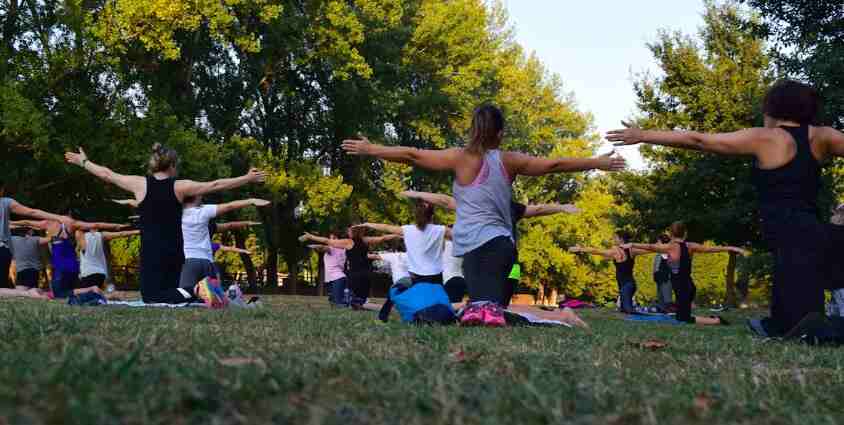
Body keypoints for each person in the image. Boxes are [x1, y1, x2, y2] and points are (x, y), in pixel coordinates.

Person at [608, 80, 844, 336]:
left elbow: (699, 140)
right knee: (796, 315)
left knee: (800, 325)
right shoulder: (824, 136)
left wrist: (643, 135)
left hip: (787, 233)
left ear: (773, 110)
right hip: (813, 231)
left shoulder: (766, 137)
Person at [65, 143, 267, 304]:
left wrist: (84, 162)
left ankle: (199, 289)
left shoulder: (139, 184)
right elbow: (215, 185)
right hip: (176, 251)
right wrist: (247, 178)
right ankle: (215, 293)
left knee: (152, 297)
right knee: (171, 294)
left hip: (153, 250)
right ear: (171, 166)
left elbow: (107, 174)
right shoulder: (180, 187)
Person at [398, 190, 580, 309]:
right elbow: (539, 209)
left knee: (492, 294)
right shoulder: (509, 207)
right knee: (505, 289)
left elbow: (445, 201)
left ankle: (489, 309)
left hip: (487, 261)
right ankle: (495, 309)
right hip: (510, 260)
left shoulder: (476, 207)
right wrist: (561, 207)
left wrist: (416, 194)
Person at [625, 222, 749, 325]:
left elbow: (650, 246)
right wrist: (733, 248)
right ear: (685, 233)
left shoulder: (670, 247)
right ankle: (711, 319)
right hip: (688, 286)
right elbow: (711, 249)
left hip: (683, 288)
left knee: (683, 319)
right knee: (682, 315)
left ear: (671, 234)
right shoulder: (690, 246)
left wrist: (632, 244)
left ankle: (716, 321)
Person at [179, 196, 269, 289]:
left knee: (186, 293)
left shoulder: (177, 216)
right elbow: (229, 221)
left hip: (189, 261)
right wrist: (248, 216)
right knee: (213, 296)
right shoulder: (205, 217)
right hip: (208, 263)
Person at [353, 201, 450, 284]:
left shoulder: (407, 229)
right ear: (432, 216)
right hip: (435, 274)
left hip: (416, 275)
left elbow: (386, 227)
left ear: (416, 216)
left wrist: (368, 224)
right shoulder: (441, 229)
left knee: (418, 302)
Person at [299, 228, 400, 308]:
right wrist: (398, 234)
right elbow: (382, 238)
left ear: (353, 232)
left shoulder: (348, 242)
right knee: (359, 301)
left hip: (354, 275)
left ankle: (356, 303)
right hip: (367, 274)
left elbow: (326, 241)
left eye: (349, 231)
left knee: (349, 300)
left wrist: (311, 236)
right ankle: (360, 304)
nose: (348, 232)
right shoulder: (366, 240)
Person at [0, 179, 73, 289]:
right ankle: (33, 293)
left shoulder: (6, 204)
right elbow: (31, 212)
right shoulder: (5, 202)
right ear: (2, 190)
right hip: (4, 251)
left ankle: (32, 293)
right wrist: (58, 218)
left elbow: (26, 222)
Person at [569, 231, 648, 314]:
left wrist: (581, 249)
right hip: (628, 285)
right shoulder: (632, 251)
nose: (613, 239)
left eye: (615, 238)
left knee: (628, 311)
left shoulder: (617, 251)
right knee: (624, 310)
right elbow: (649, 249)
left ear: (621, 239)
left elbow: (597, 251)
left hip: (626, 286)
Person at [369, 248, 412, 321]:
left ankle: (382, 317)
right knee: (408, 300)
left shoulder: (392, 255)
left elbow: (374, 256)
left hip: (399, 283)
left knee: (390, 300)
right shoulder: (411, 257)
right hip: (410, 282)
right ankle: (412, 317)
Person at [307, 231, 347, 305]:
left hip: (336, 279)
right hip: (334, 278)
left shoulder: (333, 249)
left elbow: (323, 248)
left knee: (338, 303)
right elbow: (323, 248)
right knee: (333, 302)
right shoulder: (343, 249)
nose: (331, 240)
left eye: (334, 238)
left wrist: (313, 246)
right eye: (330, 238)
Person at [651, 234, 674, 310]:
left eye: (658, 242)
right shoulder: (659, 253)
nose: (657, 244)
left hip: (666, 277)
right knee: (660, 295)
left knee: (666, 295)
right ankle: (662, 308)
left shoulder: (668, 253)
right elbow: (656, 266)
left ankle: (669, 309)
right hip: (659, 277)